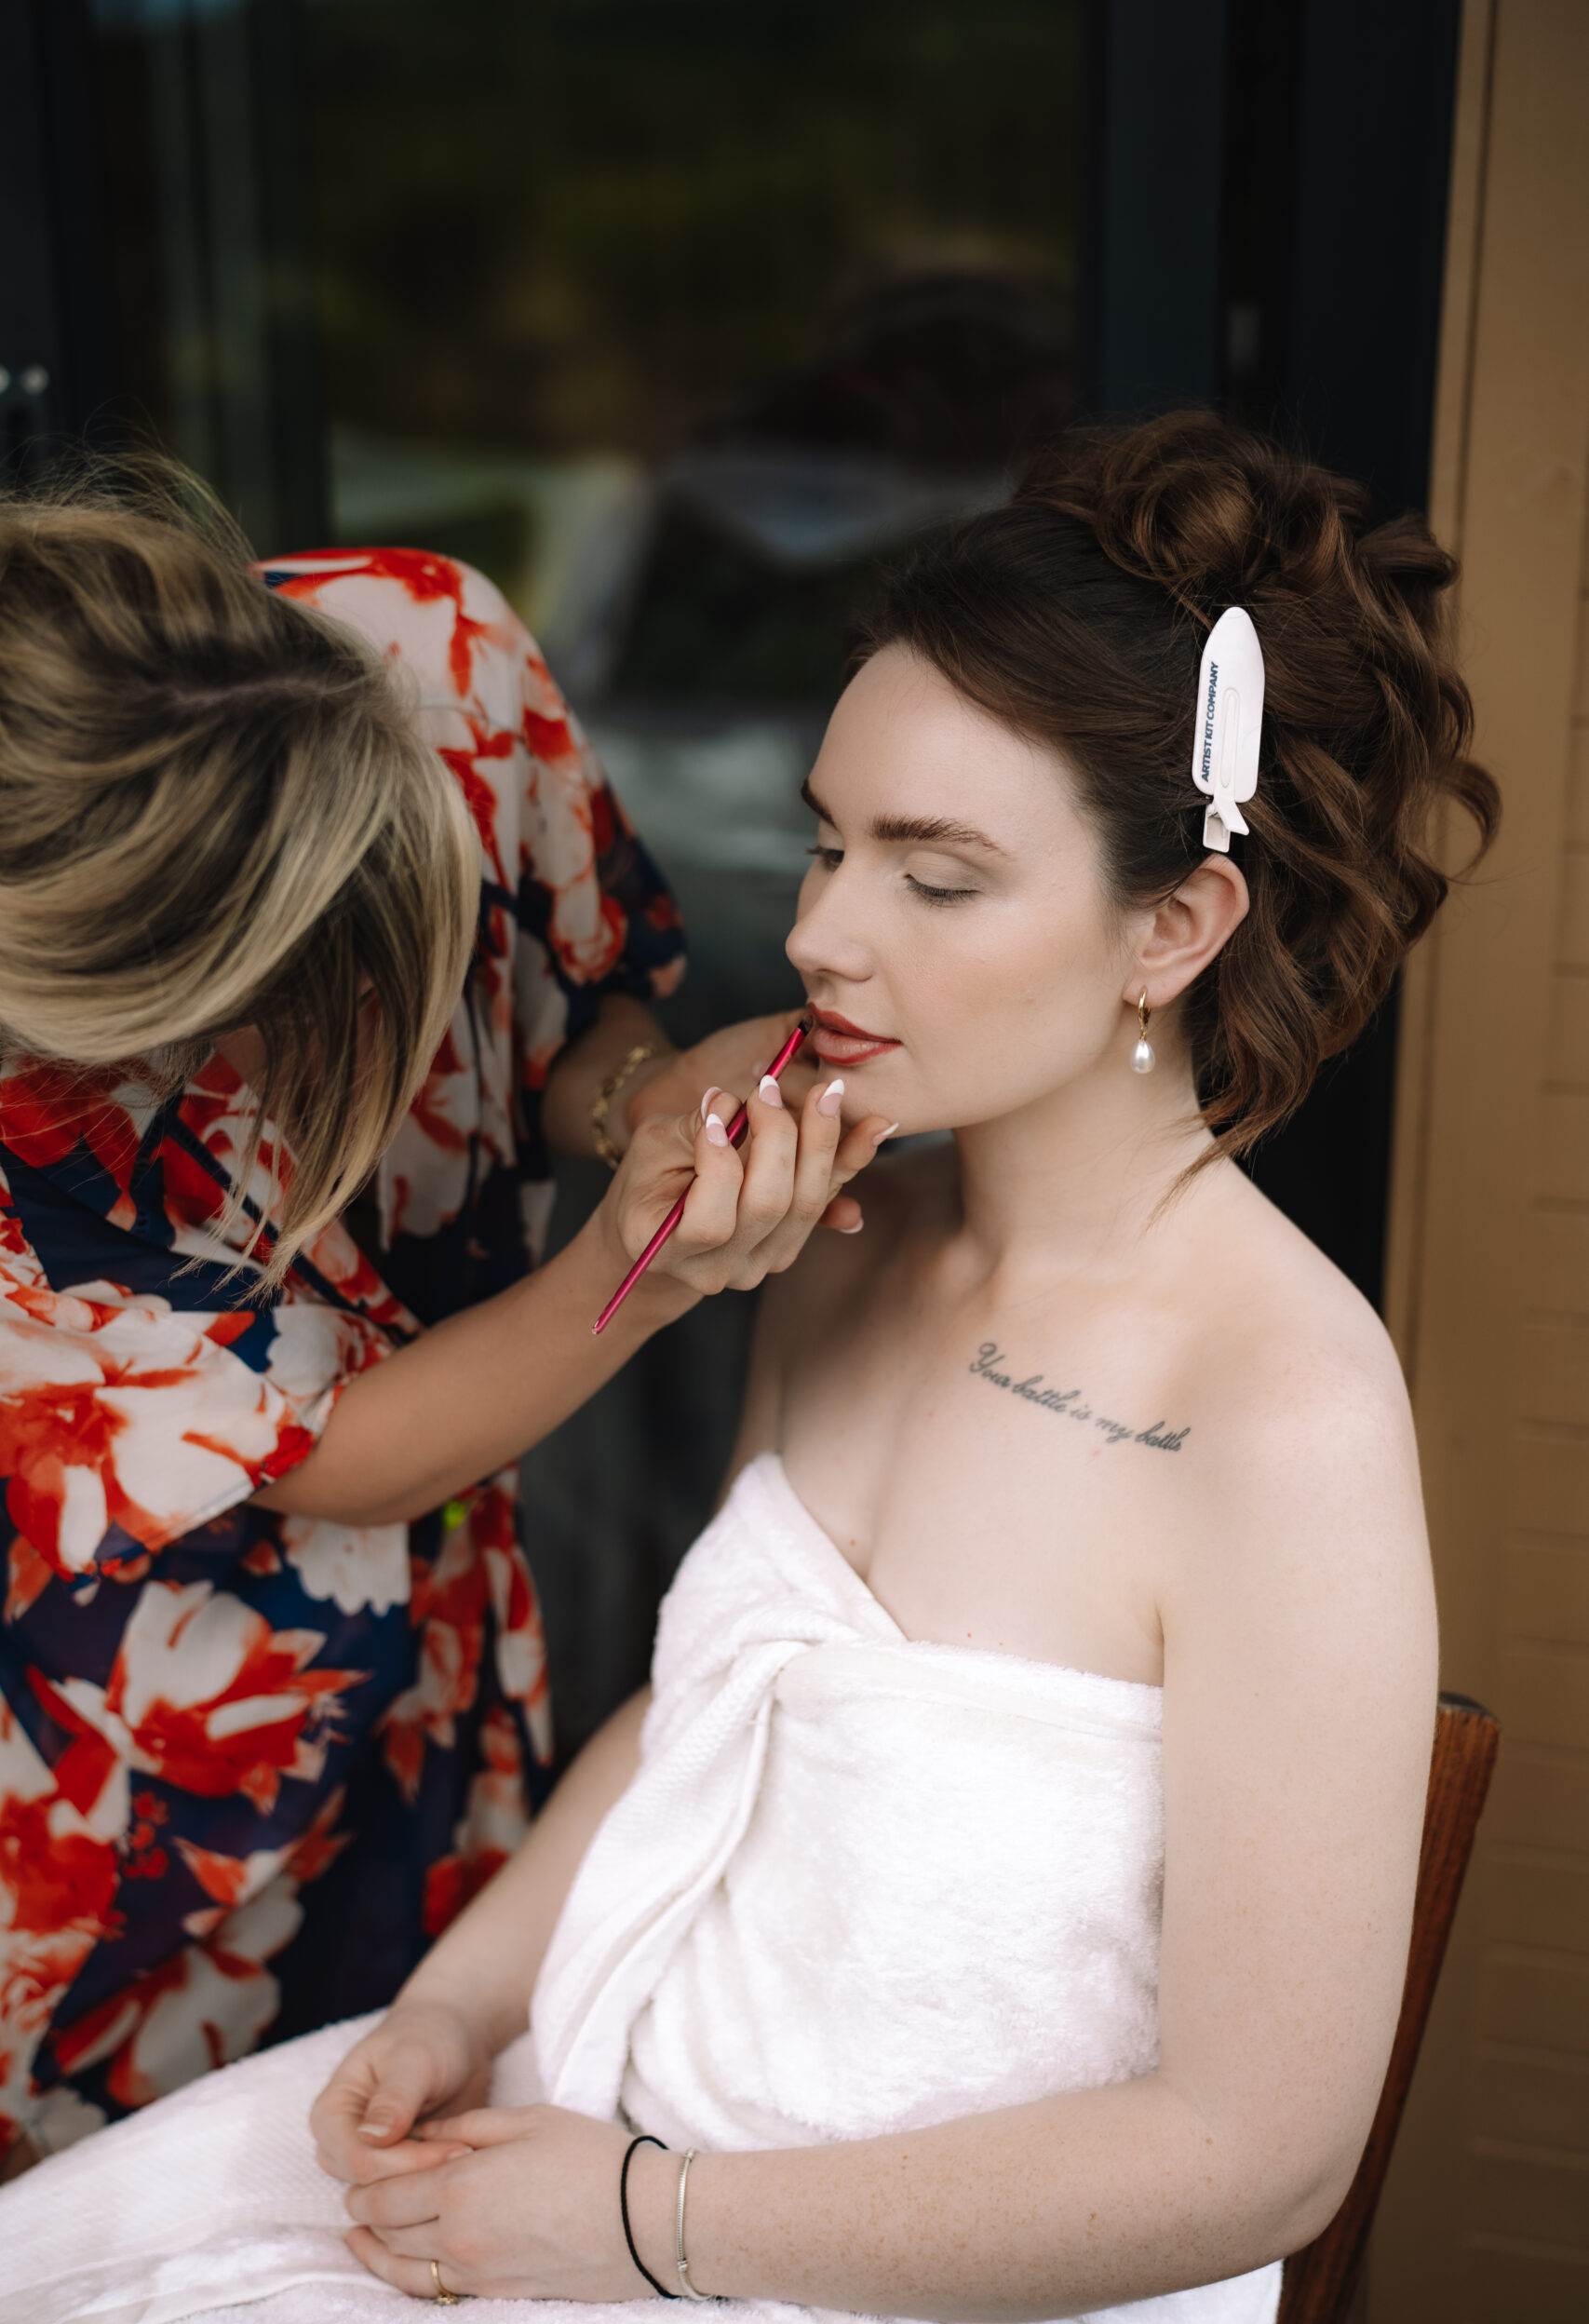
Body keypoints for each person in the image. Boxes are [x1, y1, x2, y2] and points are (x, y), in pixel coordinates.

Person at [0, 414, 1498, 2324]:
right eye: (821, 837)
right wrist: (460, 2000)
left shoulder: (1282, 1414)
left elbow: (1260, 2151)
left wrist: (647, 2221)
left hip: (851, 2254)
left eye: (932, 878)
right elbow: (710, 1707)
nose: (808, 932)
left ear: (1171, 926)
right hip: (602, 2117)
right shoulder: (836, 1263)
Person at [0, 480, 888, 2178]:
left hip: (454, 1632)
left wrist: (643, 1104)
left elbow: (578, 1003)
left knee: (406, 2107)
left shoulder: (432, 650)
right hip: (144, 1717)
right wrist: (648, 1265)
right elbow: (338, 1456)